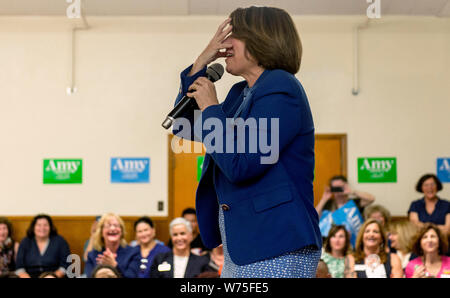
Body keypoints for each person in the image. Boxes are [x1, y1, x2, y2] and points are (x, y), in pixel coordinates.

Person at [172, 6, 321, 278]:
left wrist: (211, 109)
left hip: (276, 244)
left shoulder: (280, 86)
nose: (224, 44)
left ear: (261, 40)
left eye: (234, 36)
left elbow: (241, 165)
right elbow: (184, 126)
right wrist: (200, 63)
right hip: (244, 246)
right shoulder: (241, 92)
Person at [317, 175, 375, 247]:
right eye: (335, 188)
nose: (338, 190)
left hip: (353, 244)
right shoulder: (328, 204)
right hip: (332, 244)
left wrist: (352, 191)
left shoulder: (353, 203)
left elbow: (371, 199)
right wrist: (324, 199)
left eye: (340, 187)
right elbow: (315, 217)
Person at [84, 213, 140, 278]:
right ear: (101, 232)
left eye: (116, 225)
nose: (112, 228)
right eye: (108, 226)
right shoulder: (92, 255)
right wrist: (101, 268)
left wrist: (114, 266)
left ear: (121, 231)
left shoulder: (133, 253)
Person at [15, 214, 71, 278]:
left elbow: (65, 265)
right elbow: (19, 267)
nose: (42, 228)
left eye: (45, 225)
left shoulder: (60, 241)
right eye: (39, 225)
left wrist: (53, 276)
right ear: (33, 227)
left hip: (53, 276)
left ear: (50, 227)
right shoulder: (25, 242)